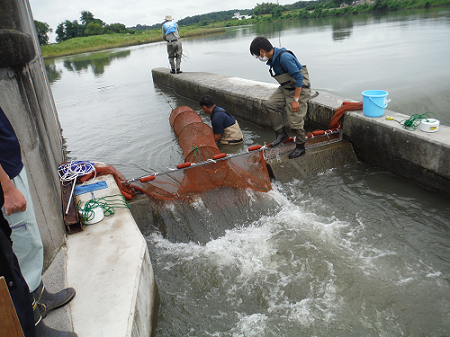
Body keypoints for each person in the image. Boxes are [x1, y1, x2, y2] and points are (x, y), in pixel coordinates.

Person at [0, 107, 76, 336]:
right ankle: (33, 321)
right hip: (5, 179)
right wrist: (6, 187)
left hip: (9, 168)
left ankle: (38, 295)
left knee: (28, 243)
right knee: (21, 246)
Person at [249, 36, 311, 159]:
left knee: (295, 120)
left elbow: (299, 78)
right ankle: (281, 133)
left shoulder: (284, 58)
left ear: (262, 51)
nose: (258, 58)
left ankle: (300, 146)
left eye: (257, 55)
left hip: (299, 89)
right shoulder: (273, 58)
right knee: (270, 105)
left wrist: (296, 100)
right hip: (286, 87)